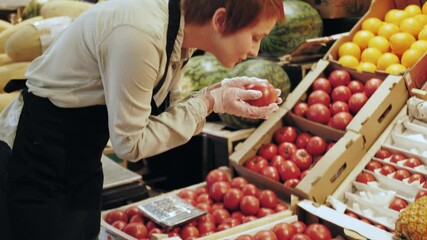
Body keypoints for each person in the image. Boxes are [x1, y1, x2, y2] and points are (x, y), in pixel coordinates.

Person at [0, 0, 285, 239]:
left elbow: (156, 112)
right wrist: (210, 102)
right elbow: (130, 144)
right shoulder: (141, 34)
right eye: (255, 37)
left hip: (77, 154)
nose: (255, 52)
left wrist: (214, 96)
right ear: (220, 20)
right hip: (40, 155)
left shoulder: (176, 30)